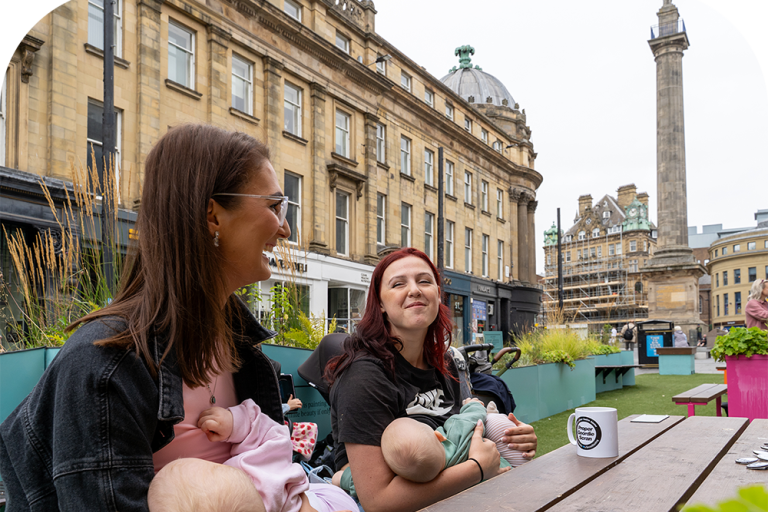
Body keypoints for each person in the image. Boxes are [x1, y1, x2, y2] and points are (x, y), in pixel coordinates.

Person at [0, 125, 297, 510]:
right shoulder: (104, 365)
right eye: (274, 206)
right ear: (213, 216)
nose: (285, 228)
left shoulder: (240, 347)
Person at [325, 248, 538, 512]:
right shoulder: (364, 377)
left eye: (424, 281)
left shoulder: (445, 363)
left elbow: (466, 431)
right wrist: (476, 469)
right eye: (398, 284)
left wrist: (515, 441)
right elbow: (378, 502)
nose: (414, 290)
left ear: (437, 294)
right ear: (380, 303)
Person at [148, 399, 357, 512]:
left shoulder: (259, 477)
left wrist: (236, 423)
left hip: (320, 495)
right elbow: (275, 437)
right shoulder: (261, 475)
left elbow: (274, 437)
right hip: (329, 500)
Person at [332, 398, 527, 496]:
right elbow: (471, 417)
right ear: (438, 435)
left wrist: (339, 478)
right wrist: (472, 403)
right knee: (492, 420)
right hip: (503, 474)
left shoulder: (405, 480)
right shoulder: (455, 435)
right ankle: (493, 412)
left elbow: (355, 481)